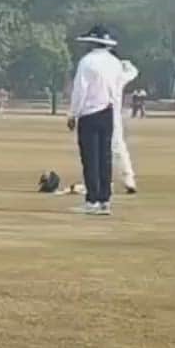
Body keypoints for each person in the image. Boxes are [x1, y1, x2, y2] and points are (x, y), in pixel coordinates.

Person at [67, 26, 123, 215]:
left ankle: (93, 200)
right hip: (107, 112)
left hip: (89, 114)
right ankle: (105, 200)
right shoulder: (115, 63)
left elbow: (80, 90)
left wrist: (73, 114)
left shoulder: (87, 62)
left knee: (90, 158)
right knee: (105, 158)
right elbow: (116, 92)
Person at [110, 49, 140, 194]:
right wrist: (126, 64)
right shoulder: (119, 74)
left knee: (99, 150)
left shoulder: (111, 73)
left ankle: (104, 181)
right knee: (118, 149)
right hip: (112, 116)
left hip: (97, 114)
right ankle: (128, 179)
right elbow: (133, 72)